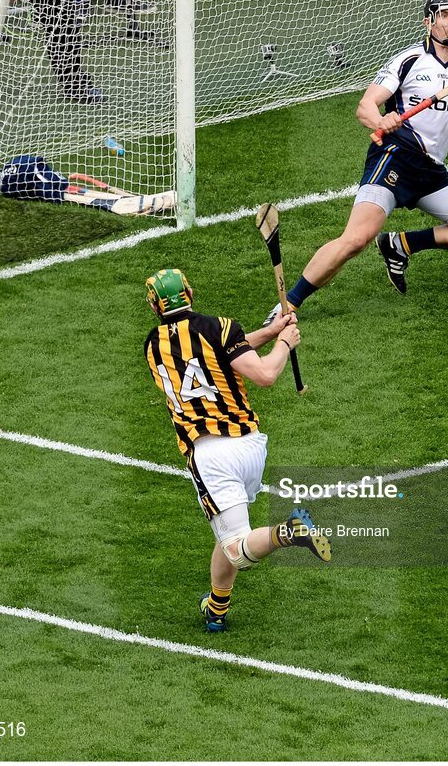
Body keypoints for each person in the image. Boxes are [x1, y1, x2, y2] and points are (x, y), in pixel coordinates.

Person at [271, 0, 448, 313]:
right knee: (356, 239)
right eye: (445, 15)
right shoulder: (409, 60)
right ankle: (288, 306)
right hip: (394, 157)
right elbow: (364, 107)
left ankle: (401, 244)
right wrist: (382, 118)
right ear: (429, 22)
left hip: (431, 170)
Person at [144, 268, 331, 633]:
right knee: (226, 535)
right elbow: (244, 361)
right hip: (250, 446)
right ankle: (217, 608)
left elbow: (259, 372)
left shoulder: (153, 346)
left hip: (211, 456)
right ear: (191, 293)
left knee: (235, 547)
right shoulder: (221, 327)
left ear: (155, 307)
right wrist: (282, 342)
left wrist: (277, 337)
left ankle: (289, 531)